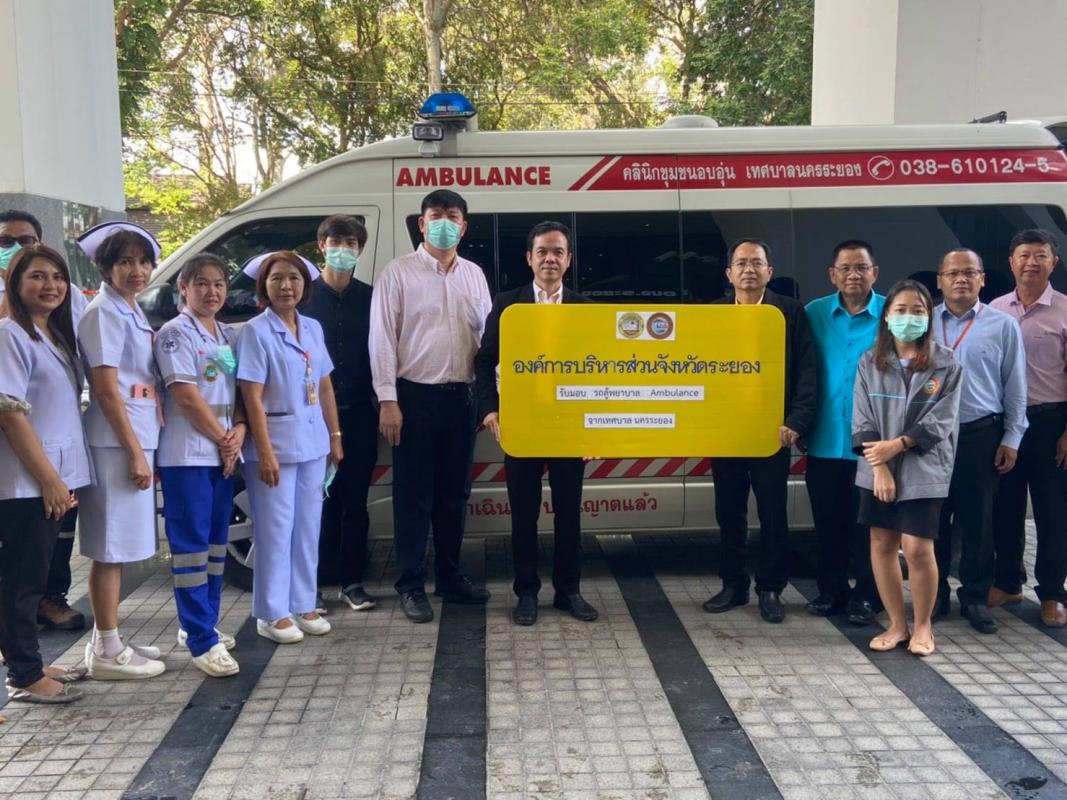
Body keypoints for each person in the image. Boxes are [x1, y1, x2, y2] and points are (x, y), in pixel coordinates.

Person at [369, 189, 492, 623]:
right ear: (422, 224)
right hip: (413, 399)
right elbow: (382, 339)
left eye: (452, 216)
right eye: (435, 215)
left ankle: (450, 577)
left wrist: (489, 399)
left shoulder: (474, 275)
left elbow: (486, 341)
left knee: (454, 495)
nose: (444, 222)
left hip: (462, 400)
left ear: (463, 226)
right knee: (413, 496)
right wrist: (388, 400)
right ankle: (410, 585)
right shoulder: (397, 273)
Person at [475, 221, 598, 626]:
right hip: (522, 425)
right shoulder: (508, 304)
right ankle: (526, 593)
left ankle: (568, 591)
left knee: (569, 514)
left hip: (568, 426)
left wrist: (595, 429)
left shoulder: (585, 309)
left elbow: (599, 369)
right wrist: (490, 410)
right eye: (542, 251)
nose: (550, 259)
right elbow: (484, 360)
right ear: (529, 258)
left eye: (558, 252)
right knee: (524, 515)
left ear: (569, 260)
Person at [703, 238, 817, 623]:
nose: (749, 270)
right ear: (729, 273)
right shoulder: (713, 315)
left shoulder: (790, 312)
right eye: (741, 263)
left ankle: (770, 587)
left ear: (770, 271)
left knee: (772, 513)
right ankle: (733, 584)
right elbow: (696, 369)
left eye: (757, 263)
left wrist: (796, 421)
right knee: (728, 512)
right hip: (727, 433)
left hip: (773, 433)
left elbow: (806, 370)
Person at [237, 251, 343, 643]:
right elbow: (251, 396)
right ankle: (271, 612)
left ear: (305, 286)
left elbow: (325, 385)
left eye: (294, 278)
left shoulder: (312, 327)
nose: (286, 286)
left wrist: (335, 436)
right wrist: (264, 451)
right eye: (277, 278)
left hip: (313, 443)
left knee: (308, 528)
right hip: (274, 447)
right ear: (263, 286)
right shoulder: (255, 331)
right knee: (275, 530)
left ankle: (303, 602)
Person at [76, 221, 167, 679]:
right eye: (125, 262)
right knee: (109, 546)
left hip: (135, 434)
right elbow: (107, 390)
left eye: (144, 262)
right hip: (116, 441)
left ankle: (108, 637)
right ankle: (107, 649)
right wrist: (133, 451)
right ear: (107, 268)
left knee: (123, 543)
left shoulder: (129, 308)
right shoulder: (103, 313)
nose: (137, 270)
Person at [0, 245, 90, 702]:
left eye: (57, 276)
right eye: (37, 276)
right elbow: (10, 413)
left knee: (35, 575)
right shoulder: (9, 335)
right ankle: (24, 676)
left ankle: (30, 661)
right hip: (26, 481)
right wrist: (50, 481)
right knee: (21, 580)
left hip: (53, 476)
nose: (50, 285)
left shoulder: (50, 334)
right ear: (15, 283)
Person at [854, 280, 962, 657]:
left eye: (917, 310)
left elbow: (943, 419)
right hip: (876, 467)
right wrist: (880, 467)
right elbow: (862, 418)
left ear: (929, 317)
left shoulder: (946, 363)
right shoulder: (870, 361)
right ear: (887, 316)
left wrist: (898, 445)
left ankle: (923, 625)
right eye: (900, 310)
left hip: (923, 466)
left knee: (917, 548)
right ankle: (897, 625)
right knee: (882, 543)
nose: (908, 317)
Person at [154, 253, 244, 676]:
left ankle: (203, 622)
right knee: (190, 547)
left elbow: (237, 392)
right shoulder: (175, 334)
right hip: (188, 455)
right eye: (203, 284)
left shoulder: (224, 333)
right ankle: (201, 641)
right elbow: (187, 397)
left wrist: (238, 430)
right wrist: (225, 440)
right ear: (184, 288)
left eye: (219, 284)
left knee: (214, 547)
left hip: (222, 453)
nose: (212, 292)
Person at [933, 250, 1027, 634]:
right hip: (931, 437)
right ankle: (934, 594)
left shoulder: (1002, 325)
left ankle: (974, 596)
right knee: (933, 518)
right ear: (939, 280)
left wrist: (1012, 437)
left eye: (969, 272)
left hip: (980, 434)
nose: (961, 279)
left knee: (979, 521)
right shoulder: (923, 323)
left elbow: (1016, 386)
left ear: (982, 279)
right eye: (953, 273)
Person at [804, 240, 885, 626]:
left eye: (861, 267)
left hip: (873, 445)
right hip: (824, 439)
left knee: (869, 527)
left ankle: (868, 597)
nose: (854, 275)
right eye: (846, 268)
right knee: (827, 523)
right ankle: (831, 591)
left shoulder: (893, 313)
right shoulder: (813, 313)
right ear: (832, 275)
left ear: (875, 273)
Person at [990, 229, 1067, 627]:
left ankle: (1052, 593)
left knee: (1053, 512)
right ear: (1011, 262)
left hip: (1051, 422)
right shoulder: (995, 310)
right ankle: (1008, 582)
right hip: (1005, 423)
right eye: (1024, 255)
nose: (1031, 263)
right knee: (1005, 506)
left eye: (1040, 255)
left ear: (1054, 262)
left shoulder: (1065, 310)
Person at [302, 215, 378, 612]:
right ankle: (313, 583)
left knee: (355, 502)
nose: (344, 249)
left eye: (351, 243)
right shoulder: (303, 298)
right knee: (316, 502)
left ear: (360, 250)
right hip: (312, 417)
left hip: (361, 413)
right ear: (322, 246)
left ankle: (352, 582)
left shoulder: (372, 297)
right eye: (337, 242)